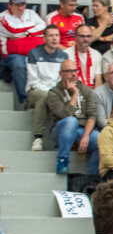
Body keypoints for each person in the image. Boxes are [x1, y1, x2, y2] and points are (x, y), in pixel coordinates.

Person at [46, 58, 99, 175]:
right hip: (61, 130)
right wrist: (74, 94)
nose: (73, 74)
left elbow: (92, 115)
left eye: (75, 70)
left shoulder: (86, 90)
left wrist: (86, 136)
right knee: (71, 121)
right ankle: (62, 161)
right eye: (69, 71)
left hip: (82, 130)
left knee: (100, 139)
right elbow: (64, 115)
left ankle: (92, 176)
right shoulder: (54, 93)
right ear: (61, 74)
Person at [26, 24, 66, 152]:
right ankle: (38, 137)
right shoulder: (34, 54)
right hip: (35, 90)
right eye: (51, 35)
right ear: (44, 38)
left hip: (55, 91)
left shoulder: (64, 56)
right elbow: (33, 81)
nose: (54, 38)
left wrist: (53, 92)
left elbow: (62, 80)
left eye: (57, 35)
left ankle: (63, 139)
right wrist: (51, 93)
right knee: (44, 96)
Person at [64, 24, 103, 90]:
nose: (86, 39)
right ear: (75, 37)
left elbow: (98, 81)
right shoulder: (66, 54)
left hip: (91, 90)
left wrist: (95, 95)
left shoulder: (97, 55)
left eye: (88, 36)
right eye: (82, 36)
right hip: (73, 89)